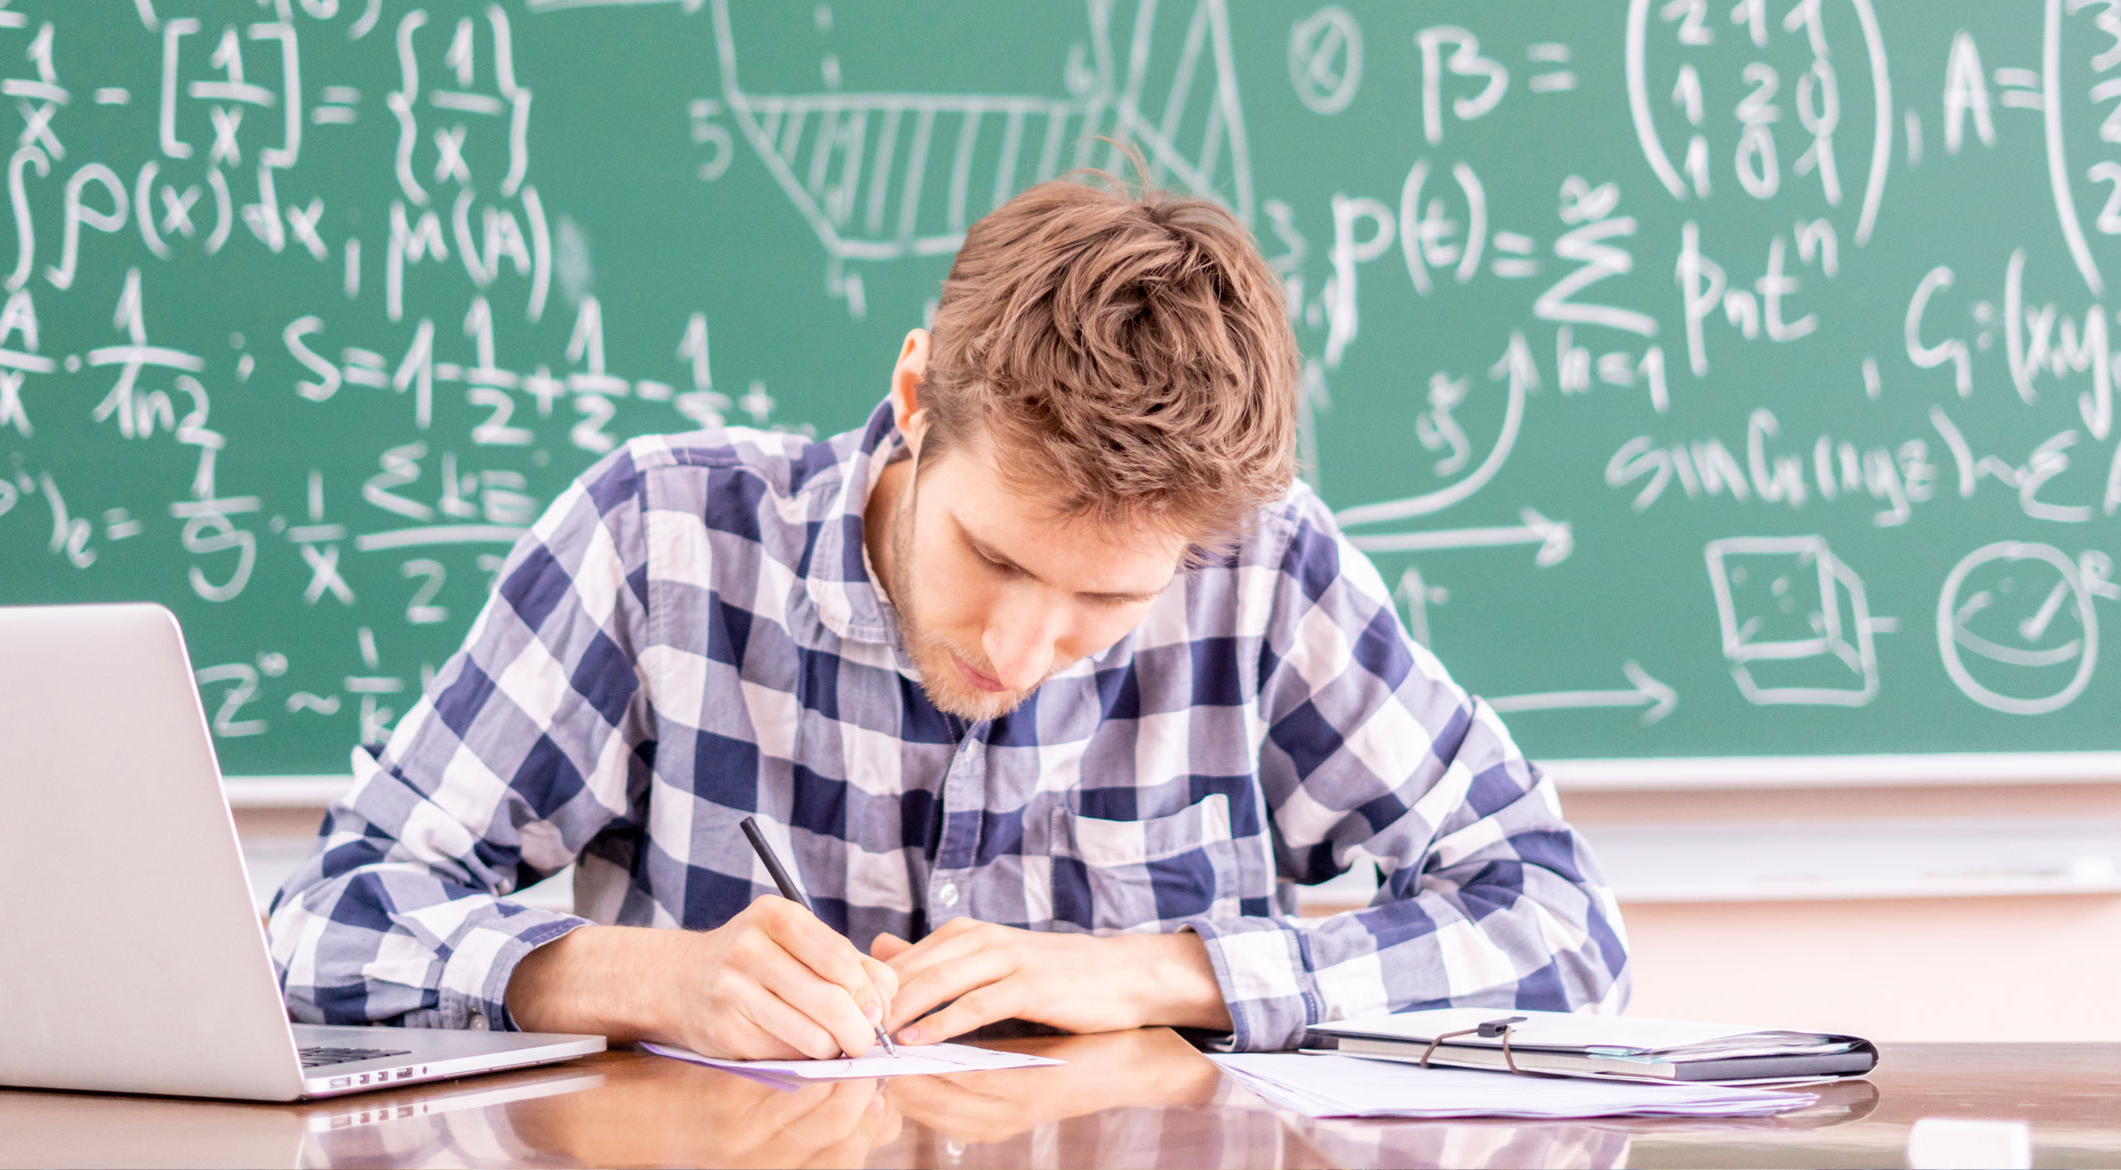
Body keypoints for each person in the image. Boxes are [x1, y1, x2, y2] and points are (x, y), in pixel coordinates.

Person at [266, 166, 1631, 1061]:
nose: (1023, 650)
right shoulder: (657, 542)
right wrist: (632, 977)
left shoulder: (1265, 572)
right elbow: (316, 925)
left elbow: (1566, 926)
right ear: (916, 399)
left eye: (1107, 601)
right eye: (994, 555)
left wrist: (1167, 972)